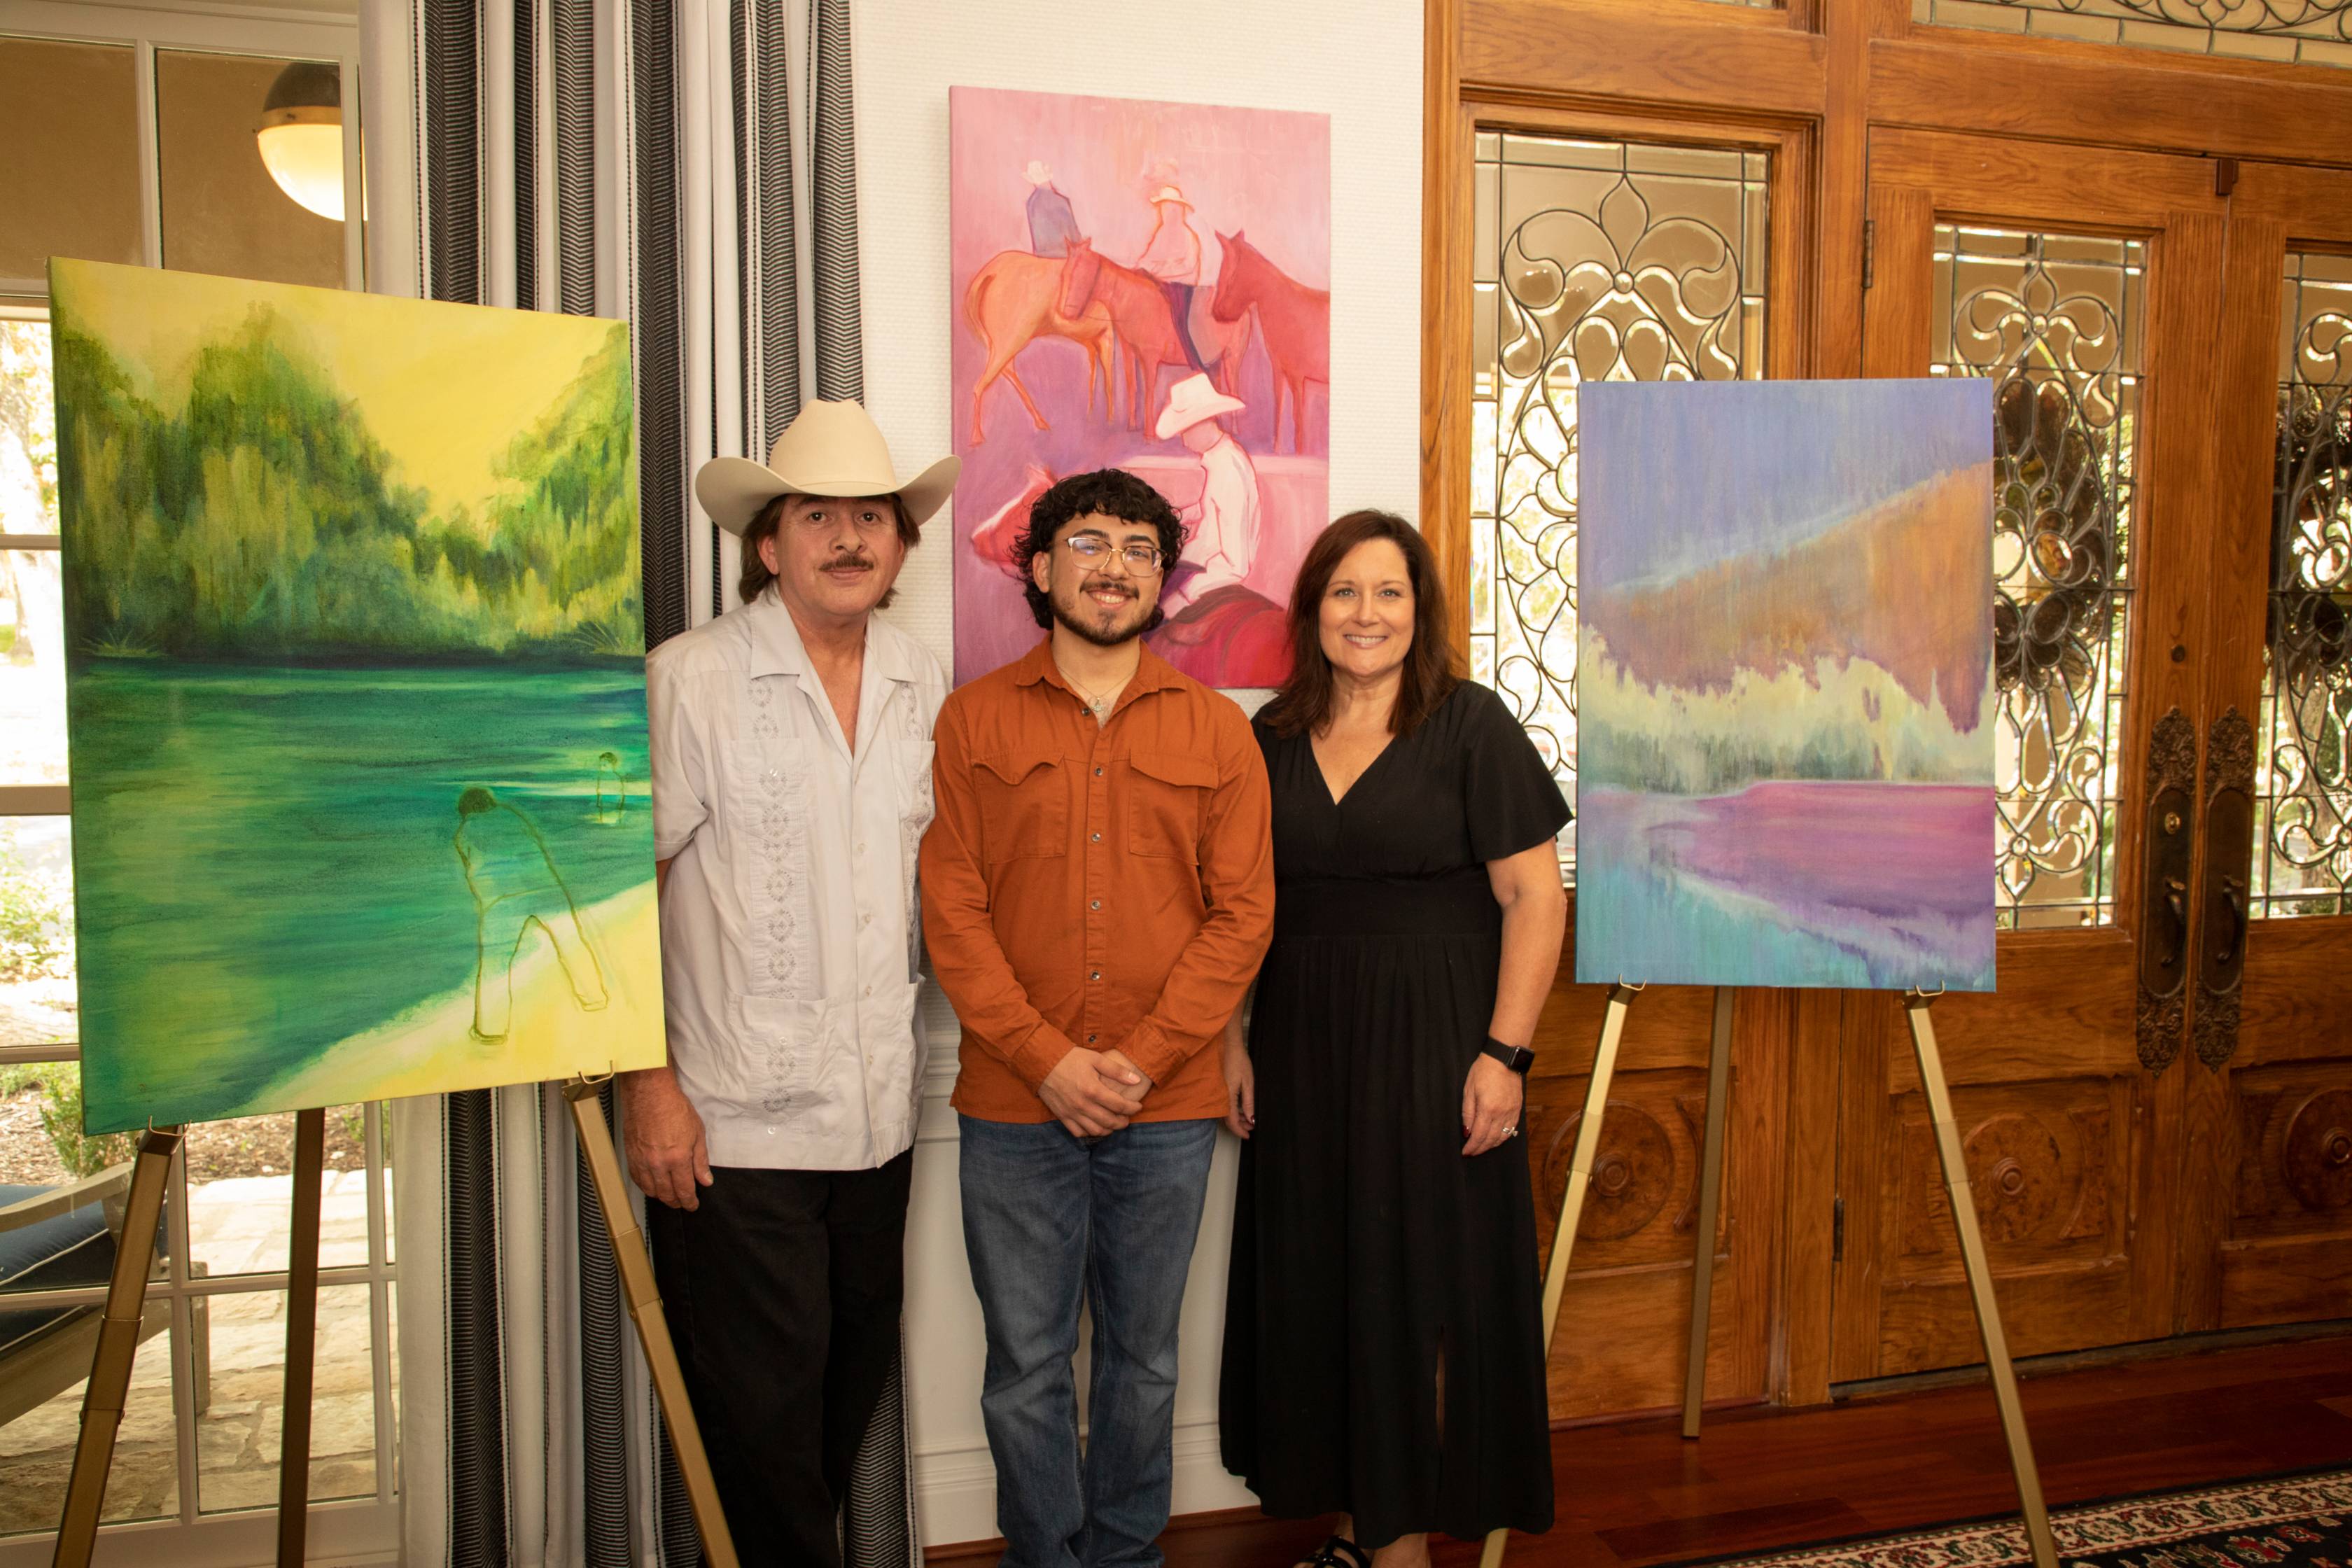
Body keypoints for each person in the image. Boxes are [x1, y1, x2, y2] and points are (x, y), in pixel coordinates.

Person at [921, 468, 1275, 1568]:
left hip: (1165, 1109)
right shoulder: (972, 719)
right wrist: (1046, 1061)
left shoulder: (1219, 732)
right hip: (1011, 1109)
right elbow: (954, 913)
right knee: (1024, 1363)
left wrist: (1138, 1060)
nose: (1114, 565)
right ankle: (1045, 1557)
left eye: (1137, 548)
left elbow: (1243, 916)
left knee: (1143, 1357)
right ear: (1039, 568)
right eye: (1088, 542)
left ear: (1161, 579)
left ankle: (1124, 1556)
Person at [629, 399, 958, 1568]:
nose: (848, 539)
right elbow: (616, 889)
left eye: (871, 517)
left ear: (902, 546)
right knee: (761, 1434)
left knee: (841, 1397)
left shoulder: (927, 682)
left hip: (880, 1122)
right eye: (818, 516)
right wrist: (646, 1084)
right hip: (735, 1130)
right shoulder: (692, 681)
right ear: (769, 544)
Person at [1218, 510, 1568, 1568]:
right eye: (1344, 592)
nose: (1365, 614)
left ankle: (1402, 1542)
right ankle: (1349, 1524)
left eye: (1389, 593)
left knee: (1416, 1288)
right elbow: (1239, 904)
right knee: (1321, 1284)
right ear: (1312, 609)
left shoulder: (1472, 726)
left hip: (1434, 1044)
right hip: (1300, 1047)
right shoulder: (1268, 737)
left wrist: (1503, 1057)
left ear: (1421, 613)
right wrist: (1234, 1042)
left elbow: (1535, 901)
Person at [453, 785, 607, 1041]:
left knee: (496, 964)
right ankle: (595, 998)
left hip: (502, 901)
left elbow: (473, 868)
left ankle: (491, 1030)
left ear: (466, 810)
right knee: (571, 943)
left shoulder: (464, 832)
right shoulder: (513, 815)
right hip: (546, 887)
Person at [1154, 372, 1261, 617]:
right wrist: (1173, 516)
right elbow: (1210, 507)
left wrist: (1183, 597)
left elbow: (1235, 564)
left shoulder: (1226, 470)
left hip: (1202, 571)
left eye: (1184, 431)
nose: (1183, 441)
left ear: (1202, 423)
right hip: (1199, 562)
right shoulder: (1224, 458)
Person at [1136, 183, 1205, 370]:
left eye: (1170, 208)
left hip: (1181, 286)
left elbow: (1188, 266)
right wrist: (1157, 268)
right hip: (1161, 283)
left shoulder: (1188, 236)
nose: (1166, 212)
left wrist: (1161, 269)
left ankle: (1191, 358)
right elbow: (1145, 262)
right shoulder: (1161, 234)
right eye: (1164, 208)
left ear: (1179, 210)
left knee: (1178, 317)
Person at [1026, 160, 1082, 257]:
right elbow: (1074, 235)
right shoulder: (1061, 200)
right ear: (1048, 179)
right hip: (1066, 254)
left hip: (1041, 256)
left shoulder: (1031, 202)